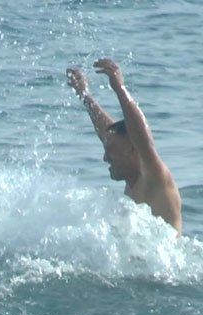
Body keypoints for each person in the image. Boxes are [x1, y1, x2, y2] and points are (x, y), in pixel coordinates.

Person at [67, 58, 181, 235]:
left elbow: (143, 139)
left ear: (132, 149)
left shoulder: (153, 178)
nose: (105, 158)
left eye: (110, 151)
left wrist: (119, 88)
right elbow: (107, 133)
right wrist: (84, 95)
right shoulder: (132, 180)